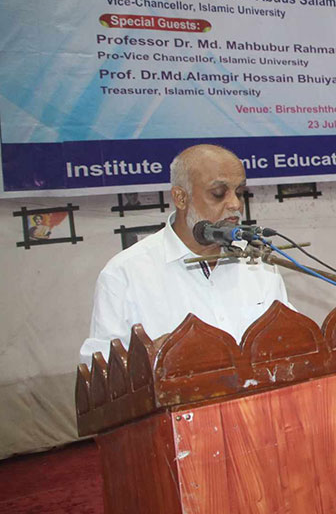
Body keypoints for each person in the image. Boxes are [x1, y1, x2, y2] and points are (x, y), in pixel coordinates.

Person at [79, 144, 292, 364]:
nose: (235, 204)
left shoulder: (257, 261)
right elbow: (101, 368)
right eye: (218, 194)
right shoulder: (125, 273)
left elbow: (289, 339)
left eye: (239, 193)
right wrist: (148, 359)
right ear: (181, 198)